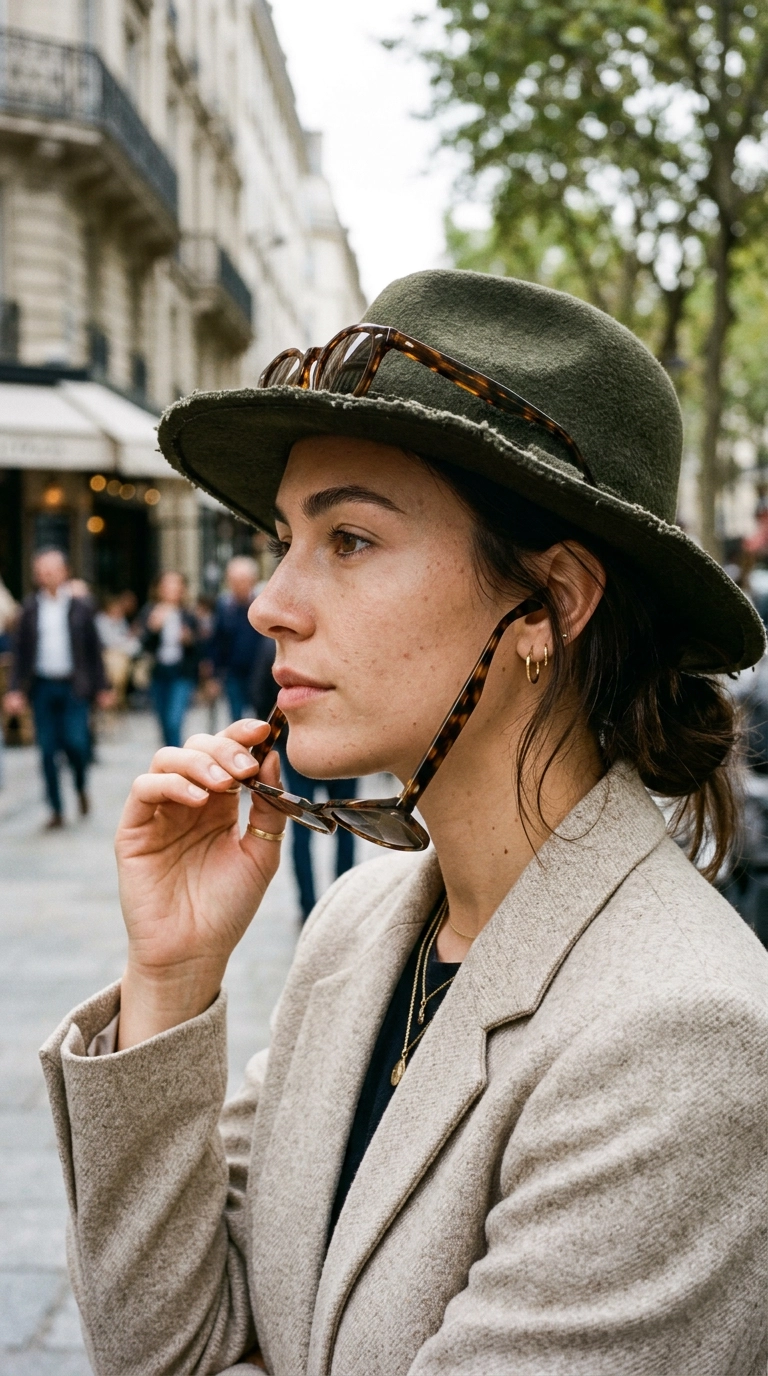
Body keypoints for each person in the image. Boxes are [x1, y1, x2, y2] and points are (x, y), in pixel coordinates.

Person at [42, 271, 768, 1376]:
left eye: (351, 540)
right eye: (287, 535)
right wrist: (171, 978)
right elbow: (170, 1343)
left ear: (553, 603)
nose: (270, 601)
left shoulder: (686, 1038)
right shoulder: (359, 923)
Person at [4, 548, 110, 828]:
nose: (45, 575)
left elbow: (93, 649)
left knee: (76, 743)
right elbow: (21, 654)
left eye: (51, 569)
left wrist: (102, 686)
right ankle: (56, 809)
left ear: (64, 571)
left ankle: (80, 786)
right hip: (42, 688)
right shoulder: (29, 609)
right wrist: (14, 690)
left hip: (74, 687)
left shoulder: (80, 606)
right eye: (41, 570)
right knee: (47, 750)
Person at [141, 571, 200, 748]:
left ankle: (177, 762)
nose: (171, 590)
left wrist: (189, 640)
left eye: (176, 586)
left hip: (181, 673)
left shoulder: (188, 614)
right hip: (159, 673)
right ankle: (169, 756)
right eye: (167, 586)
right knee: (163, 722)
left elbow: (200, 648)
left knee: (174, 720)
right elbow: (143, 645)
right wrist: (153, 629)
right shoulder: (150, 611)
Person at [210, 556, 273, 722]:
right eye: (233, 581)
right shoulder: (224, 606)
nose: (238, 585)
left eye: (242, 580)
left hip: (260, 670)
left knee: (261, 714)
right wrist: (215, 675)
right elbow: (218, 641)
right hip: (234, 672)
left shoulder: (263, 604)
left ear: (252, 580)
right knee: (237, 717)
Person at [95, 592, 140, 708]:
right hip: (106, 656)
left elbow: (130, 641)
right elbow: (109, 641)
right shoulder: (101, 621)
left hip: (121, 654)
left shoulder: (120, 621)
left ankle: (119, 696)